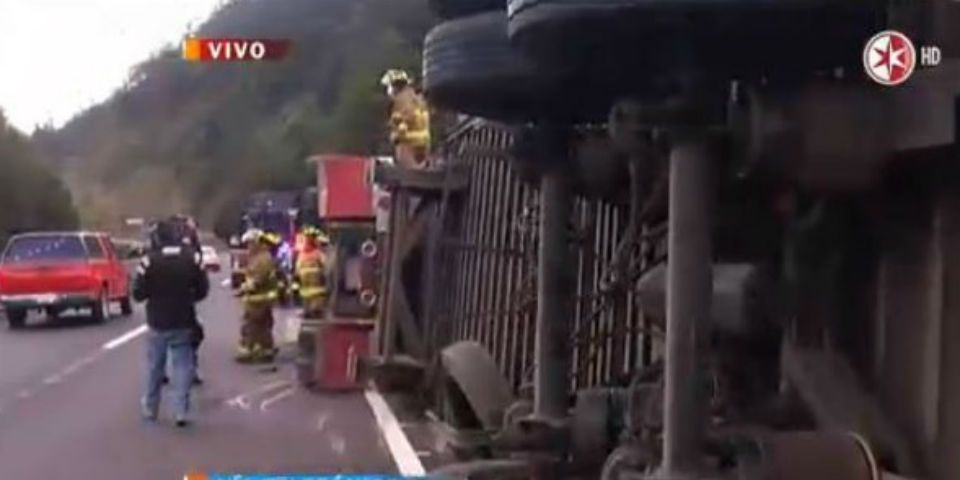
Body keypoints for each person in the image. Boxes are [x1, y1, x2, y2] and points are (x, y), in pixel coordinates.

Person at [134, 219, 209, 427]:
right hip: (183, 317)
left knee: (155, 367)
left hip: (157, 320)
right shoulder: (191, 257)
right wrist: (190, 297)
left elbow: (138, 293)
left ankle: (150, 408)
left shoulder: (149, 261)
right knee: (183, 365)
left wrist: (152, 294)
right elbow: (203, 288)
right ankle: (181, 411)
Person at [235, 230, 281, 363]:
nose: (248, 247)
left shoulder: (262, 259)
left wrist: (243, 289)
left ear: (256, 243)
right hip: (260, 299)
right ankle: (265, 351)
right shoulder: (260, 257)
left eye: (249, 243)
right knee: (263, 327)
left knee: (250, 327)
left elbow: (257, 279)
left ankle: (247, 352)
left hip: (258, 300)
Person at [381, 69, 430, 169]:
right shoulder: (415, 97)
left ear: (395, 86)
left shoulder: (404, 99)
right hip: (422, 138)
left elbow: (408, 117)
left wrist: (397, 130)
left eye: (390, 87)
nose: (389, 91)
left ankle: (413, 167)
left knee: (400, 142)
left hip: (412, 139)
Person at [295, 226, 329, 319]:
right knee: (306, 298)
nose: (307, 240)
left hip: (316, 283)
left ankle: (315, 311)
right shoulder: (303, 253)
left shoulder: (318, 253)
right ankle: (307, 310)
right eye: (307, 238)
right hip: (305, 284)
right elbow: (298, 265)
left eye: (310, 238)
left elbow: (325, 265)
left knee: (315, 300)